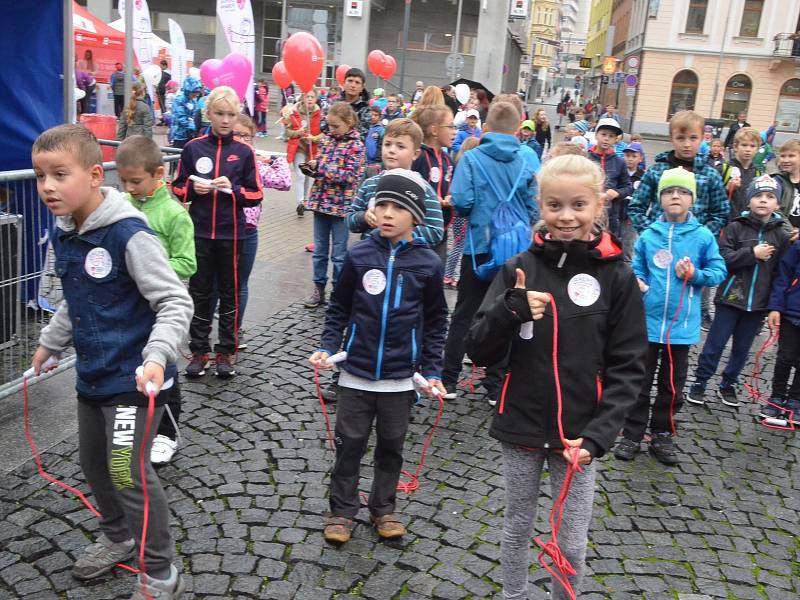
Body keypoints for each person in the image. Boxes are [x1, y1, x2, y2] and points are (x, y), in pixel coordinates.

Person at [465, 154, 647, 600]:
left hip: (579, 436)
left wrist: (600, 436)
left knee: (571, 538)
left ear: (597, 207)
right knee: (516, 525)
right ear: (540, 206)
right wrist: (511, 309)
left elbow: (629, 365)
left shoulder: (617, 276)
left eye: (578, 205)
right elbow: (477, 348)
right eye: (555, 205)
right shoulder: (519, 268)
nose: (566, 216)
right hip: (521, 423)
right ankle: (513, 594)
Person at [30, 124, 192, 599]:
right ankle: (118, 536)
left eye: (60, 174)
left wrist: (159, 356)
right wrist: (49, 342)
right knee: (94, 465)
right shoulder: (67, 233)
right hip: (93, 377)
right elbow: (75, 299)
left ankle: (160, 567)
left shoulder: (128, 234)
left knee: (126, 471)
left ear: (96, 175)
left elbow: (175, 302)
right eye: (41, 176)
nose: (47, 187)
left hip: (135, 379)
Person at [310, 169, 448, 544]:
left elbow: (436, 321)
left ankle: (383, 509)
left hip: (400, 377)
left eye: (396, 208)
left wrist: (433, 368)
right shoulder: (359, 256)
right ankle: (341, 511)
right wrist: (327, 346)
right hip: (355, 373)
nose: (386, 213)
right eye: (381, 205)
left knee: (391, 446)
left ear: (416, 217)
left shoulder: (428, 264)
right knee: (349, 445)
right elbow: (339, 308)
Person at [616, 168, 726, 465]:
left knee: (672, 385)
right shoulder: (650, 235)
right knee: (639, 381)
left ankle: (663, 434)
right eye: (668, 192)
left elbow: (718, 271)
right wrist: (638, 281)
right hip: (647, 325)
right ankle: (632, 434)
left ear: (692, 199)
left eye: (682, 192)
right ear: (659, 198)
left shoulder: (703, 236)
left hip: (681, 328)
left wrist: (695, 275)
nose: (675, 196)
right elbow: (637, 267)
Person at [441, 101, 539, 404]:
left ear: (486, 128)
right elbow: (534, 207)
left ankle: (449, 379)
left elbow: (462, 201)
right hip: (516, 252)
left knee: (465, 312)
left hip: (479, 248)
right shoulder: (525, 161)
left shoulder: (471, 159)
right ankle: (495, 387)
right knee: (508, 313)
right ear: (516, 129)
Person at [172, 86, 263, 378]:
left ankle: (226, 352)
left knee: (230, 294)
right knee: (199, 293)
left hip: (233, 234)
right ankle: (199, 351)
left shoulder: (245, 151)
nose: (225, 120)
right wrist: (191, 189)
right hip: (199, 232)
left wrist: (232, 190)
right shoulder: (193, 147)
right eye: (220, 113)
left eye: (231, 114)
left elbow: (256, 193)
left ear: (238, 116)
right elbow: (176, 185)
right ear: (208, 112)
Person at [116, 135, 196, 466]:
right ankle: (132, 425)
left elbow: (188, 262)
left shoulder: (174, 215)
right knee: (130, 362)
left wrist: (148, 268)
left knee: (165, 365)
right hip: (128, 305)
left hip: (162, 308)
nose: (129, 187)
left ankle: (167, 433)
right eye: (124, 181)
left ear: (158, 174)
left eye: (136, 181)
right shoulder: (122, 206)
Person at [685, 175, 790, 408]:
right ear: (749, 201)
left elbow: (781, 274)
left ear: (778, 204)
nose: (763, 201)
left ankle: (728, 383)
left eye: (770, 197)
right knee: (715, 343)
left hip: (758, 304)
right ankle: (700, 382)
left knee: (742, 349)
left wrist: (774, 306)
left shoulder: (782, 235)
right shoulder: (735, 227)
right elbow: (723, 259)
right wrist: (752, 254)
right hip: (730, 299)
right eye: (758, 196)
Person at [302, 102, 366, 308]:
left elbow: (350, 176)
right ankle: (318, 289)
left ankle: (339, 292)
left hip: (340, 207)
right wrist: (312, 168)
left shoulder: (356, 145)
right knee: (320, 251)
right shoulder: (327, 140)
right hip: (321, 203)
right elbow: (322, 165)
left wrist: (321, 168)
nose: (331, 130)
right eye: (329, 125)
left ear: (348, 123)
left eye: (336, 126)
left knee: (339, 254)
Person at [628, 110, 729, 236]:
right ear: (671, 138)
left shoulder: (710, 176)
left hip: (694, 246)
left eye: (693, 138)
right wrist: (652, 234)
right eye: (681, 138)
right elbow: (636, 207)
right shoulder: (656, 171)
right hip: (659, 244)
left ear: (702, 138)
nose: (687, 144)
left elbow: (721, 213)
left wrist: (700, 237)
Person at [411, 105, 456, 264]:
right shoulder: (418, 156)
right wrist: (429, 199)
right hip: (419, 230)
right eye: (450, 126)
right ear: (434, 130)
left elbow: (453, 186)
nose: (454, 131)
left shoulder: (448, 160)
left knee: (435, 276)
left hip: (441, 231)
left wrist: (451, 197)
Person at [763, 231, 800, 424]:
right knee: (785, 357)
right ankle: (776, 397)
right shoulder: (797, 246)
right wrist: (776, 307)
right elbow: (783, 276)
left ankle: (795, 401)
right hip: (792, 313)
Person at [444, 136, 480, 287]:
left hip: (456, 213)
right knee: (459, 245)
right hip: (463, 214)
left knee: (457, 244)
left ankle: (450, 274)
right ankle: (450, 275)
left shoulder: (459, 164)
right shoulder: (470, 167)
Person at [587, 118, 632, 237]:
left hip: (610, 214)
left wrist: (617, 193)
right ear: (596, 135)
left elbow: (627, 186)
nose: (606, 138)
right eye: (603, 134)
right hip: (587, 211)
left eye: (611, 136)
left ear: (616, 140)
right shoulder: (585, 158)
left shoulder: (619, 162)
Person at [286, 88, 323, 217]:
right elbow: (288, 132)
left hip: (312, 150)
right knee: (301, 175)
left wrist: (314, 138)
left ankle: (305, 200)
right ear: (302, 98)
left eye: (312, 97)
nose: (310, 99)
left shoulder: (320, 114)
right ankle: (300, 202)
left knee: (307, 176)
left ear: (316, 99)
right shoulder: (294, 112)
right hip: (299, 149)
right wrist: (298, 133)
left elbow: (324, 133)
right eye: (307, 96)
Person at [721, 127, 764, 219]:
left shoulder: (758, 174)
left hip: (747, 223)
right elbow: (713, 197)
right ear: (735, 147)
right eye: (744, 145)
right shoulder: (724, 169)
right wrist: (727, 189)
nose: (748, 149)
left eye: (752, 146)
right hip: (726, 221)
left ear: (757, 149)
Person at [769, 139, 800, 238]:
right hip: (780, 235)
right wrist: (790, 231)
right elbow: (773, 210)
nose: (786, 160)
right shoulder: (777, 181)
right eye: (783, 156)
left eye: (791, 156)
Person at [620, 142, 646, 262]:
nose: (630, 159)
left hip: (631, 218)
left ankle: (626, 274)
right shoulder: (620, 172)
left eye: (634, 156)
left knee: (627, 247)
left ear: (640, 158)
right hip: (616, 214)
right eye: (627, 155)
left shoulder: (643, 176)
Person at [168, 76, 203, 152]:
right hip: (179, 135)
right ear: (189, 91)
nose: (196, 95)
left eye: (197, 93)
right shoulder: (179, 99)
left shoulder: (193, 100)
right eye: (194, 93)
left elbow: (195, 114)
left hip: (190, 134)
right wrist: (195, 127)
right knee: (177, 157)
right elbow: (181, 118)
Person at [342, 67, 372, 139]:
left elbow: (362, 135)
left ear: (362, 88)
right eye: (350, 81)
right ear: (344, 83)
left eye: (357, 82)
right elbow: (324, 128)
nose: (353, 85)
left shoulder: (366, 109)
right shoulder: (333, 104)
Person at [365, 106, 385, 177]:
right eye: (371, 115)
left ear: (380, 117)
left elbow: (381, 146)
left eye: (375, 115)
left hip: (375, 163)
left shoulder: (381, 130)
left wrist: (378, 161)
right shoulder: (367, 128)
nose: (373, 117)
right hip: (365, 161)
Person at [156, 60, 171, 124]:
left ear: (164, 65)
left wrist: (158, 90)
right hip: (166, 92)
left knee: (163, 106)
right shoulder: (169, 73)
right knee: (165, 106)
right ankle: (165, 119)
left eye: (161, 65)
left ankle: (165, 120)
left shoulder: (163, 74)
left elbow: (161, 84)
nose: (160, 67)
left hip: (162, 92)